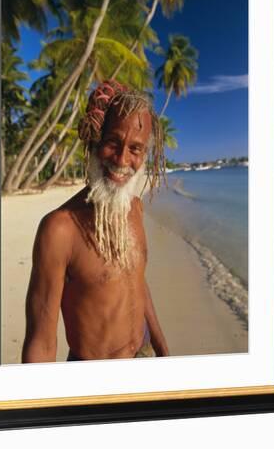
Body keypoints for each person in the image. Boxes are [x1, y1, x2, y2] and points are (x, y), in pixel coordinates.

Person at [22, 80, 170, 362]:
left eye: (135, 149)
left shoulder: (135, 208)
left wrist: (163, 350)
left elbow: (137, 280)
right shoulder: (59, 230)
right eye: (113, 143)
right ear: (95, 140)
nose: (122, 159)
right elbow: (41, 340)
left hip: (144, 352)